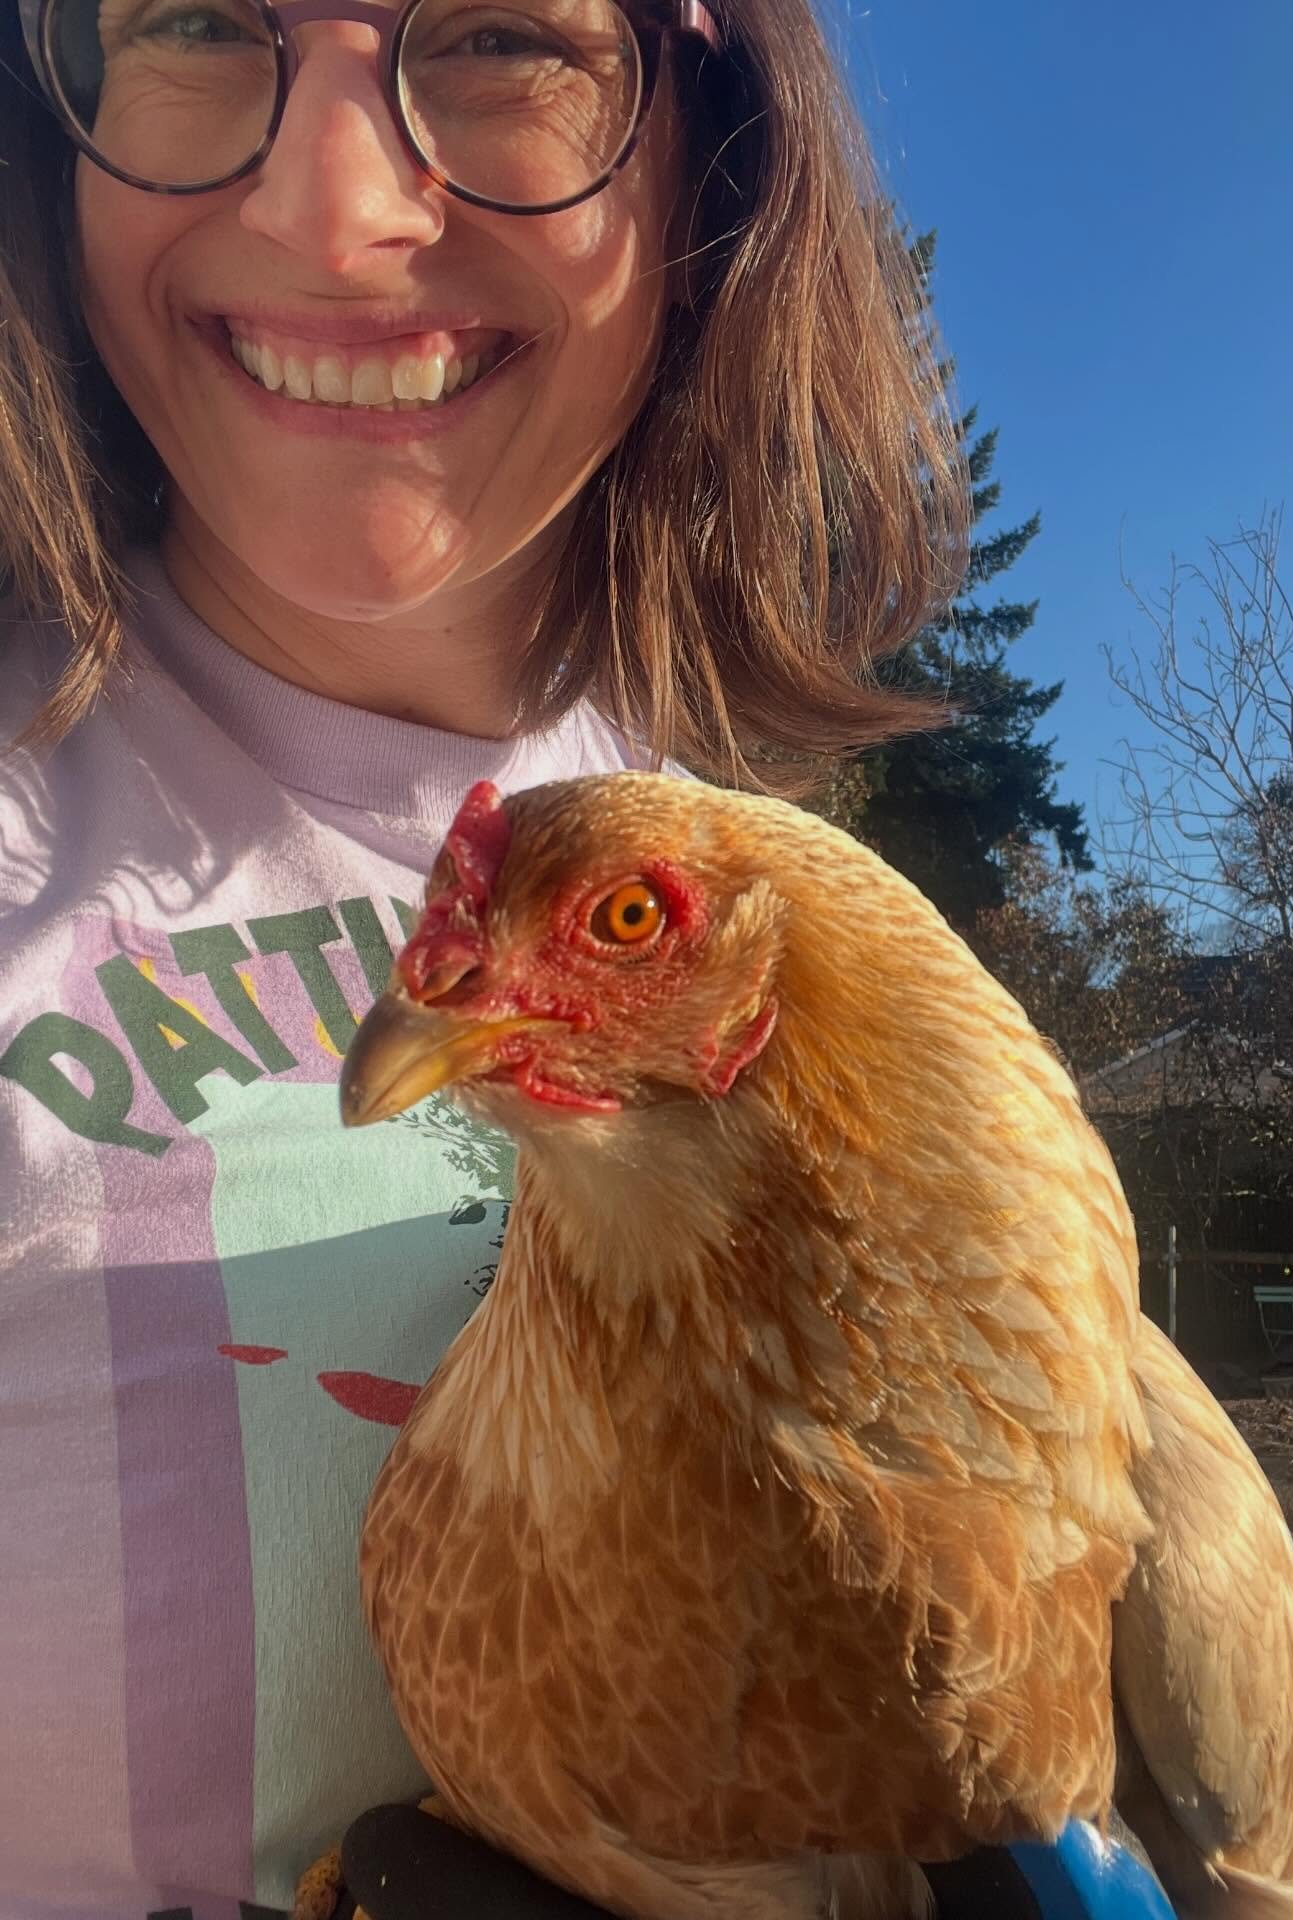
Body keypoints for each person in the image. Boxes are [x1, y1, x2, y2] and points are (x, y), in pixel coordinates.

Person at [0, 2, 1163, 1916]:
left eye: (498, 32)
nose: (339, 211)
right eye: (200, 15)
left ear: (709, 134)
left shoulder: (795, 904)